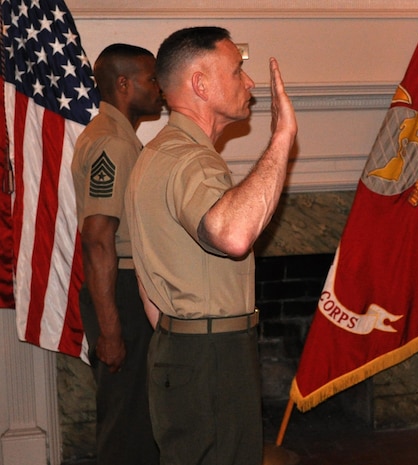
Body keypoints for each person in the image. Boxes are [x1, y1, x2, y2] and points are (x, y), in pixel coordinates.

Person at [124, 26, 297, 465]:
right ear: (200, 84)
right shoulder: (189, 159)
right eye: (238, 70)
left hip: (181, 348)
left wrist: (179, 337)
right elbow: (234, 235)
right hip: (210, 357)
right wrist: (282, 138)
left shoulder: (156, 154)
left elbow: (149, 282)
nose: (250, 82)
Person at [71, 43, 163, 465]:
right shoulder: (113, 145)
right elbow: (97, 237)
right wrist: (110, 329)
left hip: (123, 288)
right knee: (128, 424)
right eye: (151, 78)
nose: (159, 87)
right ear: (124, 84)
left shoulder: (118, 138)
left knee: (135, 416)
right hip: (120, 291)